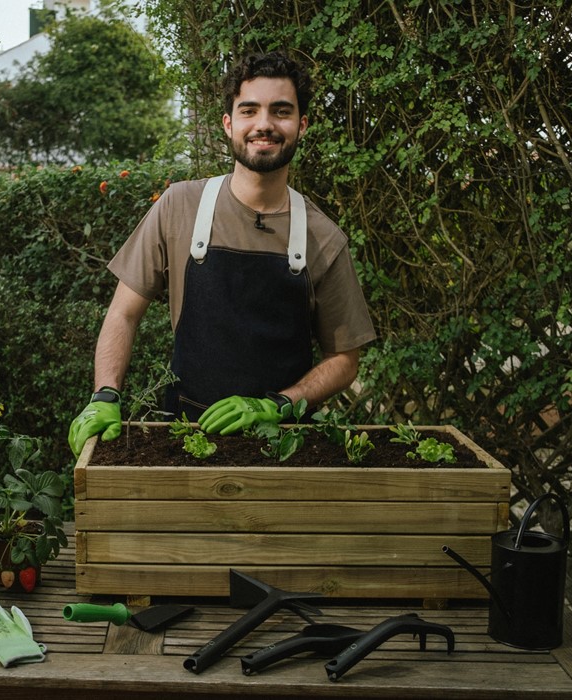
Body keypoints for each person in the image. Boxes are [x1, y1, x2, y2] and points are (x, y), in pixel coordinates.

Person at [68, 51, 376, 457]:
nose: (264, 124)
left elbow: (344, 359)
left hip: (283, 449)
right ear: (229, 124)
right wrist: (105, 394)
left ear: (301, 126)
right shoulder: (179, 206)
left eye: (280, 111)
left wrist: (278, 405)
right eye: (249, 110)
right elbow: (123, 313)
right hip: (181, 440)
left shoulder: (323, 237)